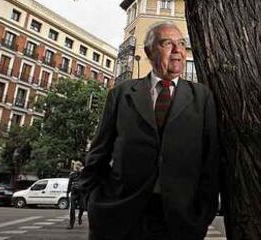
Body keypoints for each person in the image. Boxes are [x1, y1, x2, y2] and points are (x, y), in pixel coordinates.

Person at [80, 22, 219, 240]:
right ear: (149, 51)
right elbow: (98, 152)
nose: (178, 51)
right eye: (167, 43)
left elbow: (211, 161)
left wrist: (203, 212)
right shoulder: (121, 94)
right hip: (121, 214)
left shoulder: (202, 97)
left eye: (181, 44)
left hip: (180, 220)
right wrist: (93, 200)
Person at [67, 161, 85, 229]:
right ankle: (71, 224)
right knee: (72, 208)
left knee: (82, 207)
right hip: (74, 193)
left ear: (80, 166)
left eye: (78, 166)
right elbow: (69, 184)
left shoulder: (83, 173)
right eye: (75, 166)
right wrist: (67, 192)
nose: (77, 167)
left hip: (81, 193)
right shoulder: (72, 174)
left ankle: (80, 217)